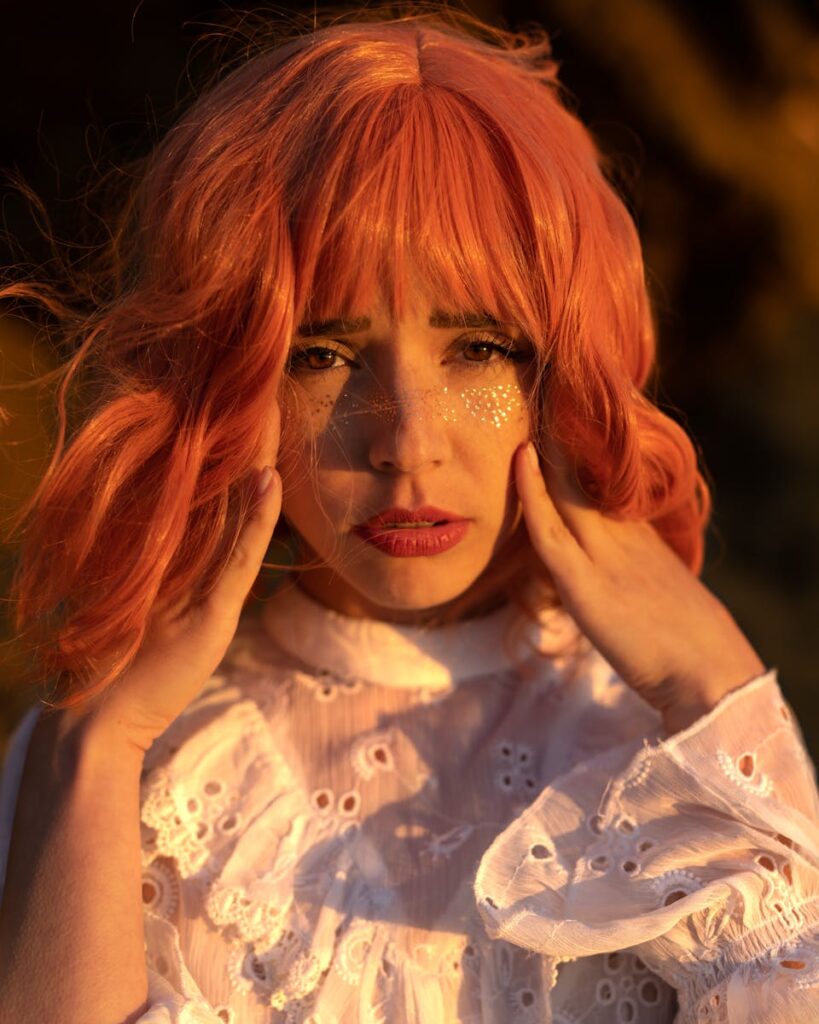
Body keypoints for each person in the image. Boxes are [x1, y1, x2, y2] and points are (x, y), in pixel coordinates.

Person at [0, 6, 817, 1022]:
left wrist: (716, 690)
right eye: (325, 355)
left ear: (563, 372)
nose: (407, 439)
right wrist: (95, 743)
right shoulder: (138, 759)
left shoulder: (669, 752)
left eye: (476, 348)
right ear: (232, 382)